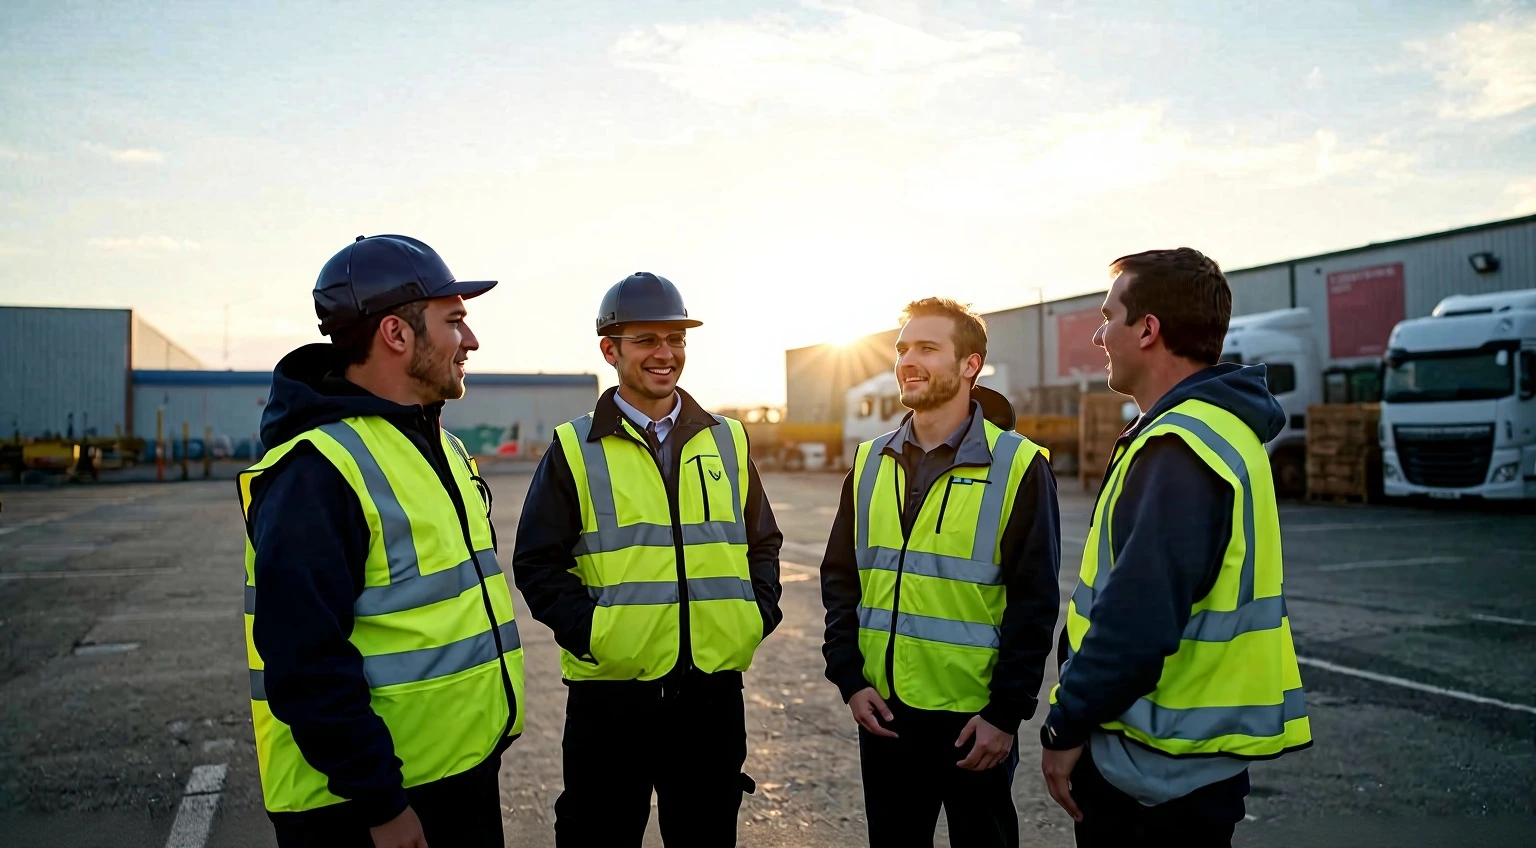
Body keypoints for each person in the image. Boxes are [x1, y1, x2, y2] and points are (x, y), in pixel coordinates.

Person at [237, 234, 525, 848]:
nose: (470, 342)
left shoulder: (440, 446)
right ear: (396, 334)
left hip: (455, 779)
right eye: (454, 322)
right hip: (365, 811)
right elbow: (304, 662)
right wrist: (381, 806)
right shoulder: (315, 470)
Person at [1038, 248, 1312, 847]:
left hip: (1151, 776)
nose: (1099, 333)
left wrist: (1064, 728)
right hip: (1189, 768)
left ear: (1148, 329)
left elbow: (1137, 620)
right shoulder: (1218, 431)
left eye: (1109, 316)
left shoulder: (1180, 447)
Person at [512, 271, 784, 847]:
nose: (666, 354)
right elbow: (537, 563)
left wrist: (754, 617)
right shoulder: (573, 448)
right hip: (613, 694)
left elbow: (762, 542)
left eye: (676, 340)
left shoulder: (728, 440)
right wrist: (596, 635)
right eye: (647, 341)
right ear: (610, 350)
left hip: (710, 693)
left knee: (707, 835)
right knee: (599, 835)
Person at [820, 297, 1061, 848]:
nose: (907, 359)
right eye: (902, 348)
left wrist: (1006, 714)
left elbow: (1034, 601)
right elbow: (841, 580)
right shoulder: (868, 462)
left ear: (970, 365)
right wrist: (851, 680)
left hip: (972, 723)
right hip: (885, 716)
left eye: (927, 348)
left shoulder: (1020, 466)